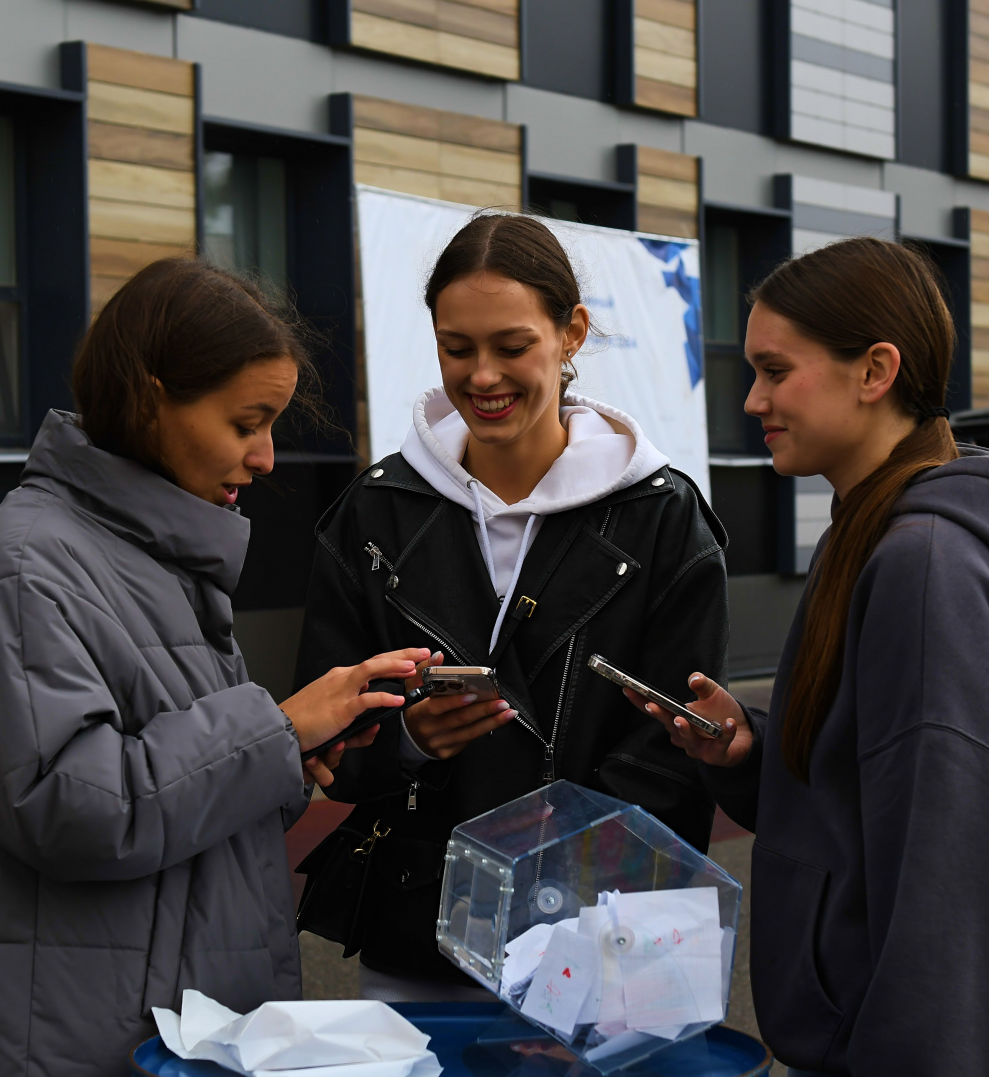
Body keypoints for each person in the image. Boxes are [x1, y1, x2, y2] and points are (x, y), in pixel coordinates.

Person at [0, 259, 430, 1076]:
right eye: (246, 423)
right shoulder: (27, 572)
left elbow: (177, 794)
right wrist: (279, 728)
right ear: (151, 398)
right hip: (85, 1045)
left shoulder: (152, 556)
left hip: (175, 1033)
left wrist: (292, 755)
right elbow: (71, 808)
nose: (265, 458)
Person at [631, 237, 989, 1075]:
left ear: (875, 370)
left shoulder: (921, 562)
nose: (753, 400)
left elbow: (962, 875)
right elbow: (877, 791)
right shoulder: (878, 533)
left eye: (776, 371)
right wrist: (752, 749)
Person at [295, 213, 729, 1001]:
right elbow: (329, 743)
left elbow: (675, 760)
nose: (483, 377)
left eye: (512, 346)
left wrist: (584, 927)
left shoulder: (661, 517)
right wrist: (406, 740)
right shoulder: (375, 512)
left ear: (572, 335)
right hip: (418, 931)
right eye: (456, 348)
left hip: (604, 944)